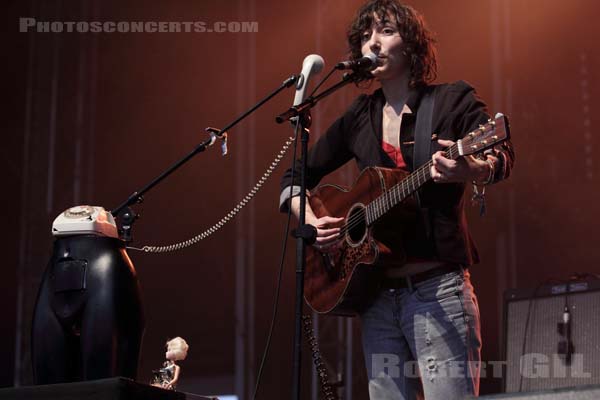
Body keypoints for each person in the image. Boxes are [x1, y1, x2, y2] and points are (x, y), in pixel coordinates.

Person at [279, 0, 514, 398]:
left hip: (438, 292)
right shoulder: (359, 114)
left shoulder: (452, 100)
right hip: (377, 298)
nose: (373, 42)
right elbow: (294, 177)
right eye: (365, 36)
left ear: (413, 46)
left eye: (386, 31)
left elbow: (501, 156)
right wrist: (313, 220)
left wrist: (469, 169)